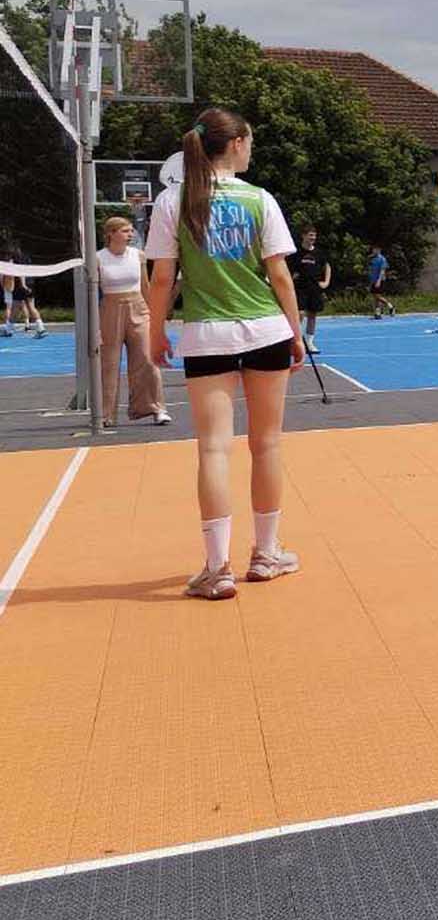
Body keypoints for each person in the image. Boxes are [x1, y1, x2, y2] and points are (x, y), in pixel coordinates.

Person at [145, 108, 304, 600]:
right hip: (265, 328)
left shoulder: (173, 200)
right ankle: (267, 553)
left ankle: (218, 569)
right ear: (235, 144)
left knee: (214, 448)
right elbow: (279, 275)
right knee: (267, 443)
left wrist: (155, 331)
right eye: (249, 141)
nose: (250, 149)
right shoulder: (260, 199)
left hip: (207, 333)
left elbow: (163, 278)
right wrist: (295, 331)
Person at [97, 216, 170, 426]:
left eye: (131, 231)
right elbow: (94, 292)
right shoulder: (98, 258)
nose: (130, 235)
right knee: (109, 362)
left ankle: (156, 408)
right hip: (110, 309)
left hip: (138, 307)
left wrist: (155, 316)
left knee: (147, 358)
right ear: (111, 234)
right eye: (125, 231)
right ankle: (106, 413)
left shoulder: (138, 255)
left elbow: (146, 286)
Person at [291, 227, 331, 354]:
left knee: (312, 315)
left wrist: (326, 281)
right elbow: (288, 267)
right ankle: (296, 343)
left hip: (314, 288)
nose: (313, 238)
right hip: (300, 288)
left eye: (314, 235)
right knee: (300, 314)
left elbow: (327, 266)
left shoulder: (319, 253)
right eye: (310, 235)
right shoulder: (296, 252)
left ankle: (309, 342)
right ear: (303, 236)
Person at [367, 245, 394, 318]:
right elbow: (371, 270)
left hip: (380, 280)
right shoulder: (372, 259)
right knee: (375, 297)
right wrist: (370, 281)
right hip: (373, 280)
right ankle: (378, 312)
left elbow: (382, 271)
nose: (374, 251)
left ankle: (390, 306)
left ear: (379, 250)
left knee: (378, 296)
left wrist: (378, 281)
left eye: (375, 249)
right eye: (373, 249)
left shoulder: (382, 259)